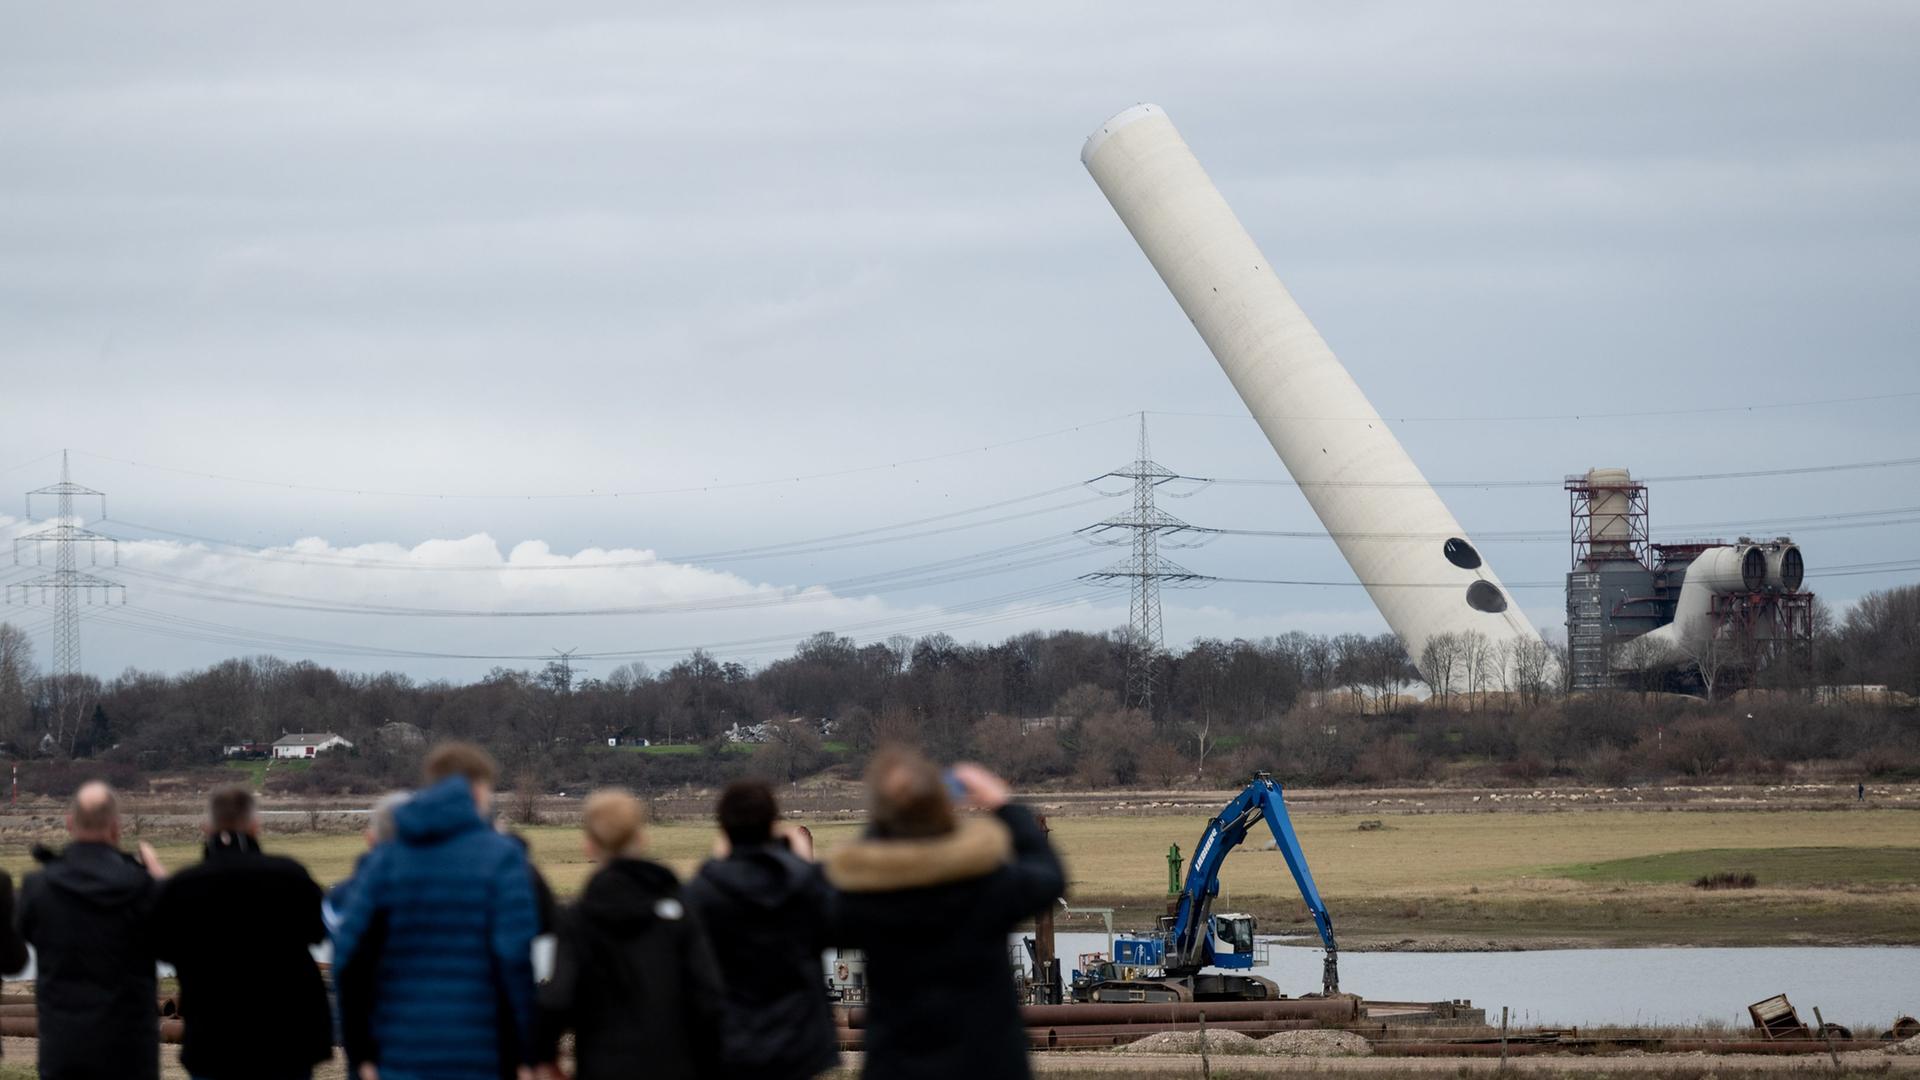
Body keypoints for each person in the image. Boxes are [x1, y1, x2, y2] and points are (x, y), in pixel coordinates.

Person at [824, 751, 1065, 1080]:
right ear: (943, 809)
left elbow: (813, 912)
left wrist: (883, 824)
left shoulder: (865, 898)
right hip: (987, 1062)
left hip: (898, 1064)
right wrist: (1006, 805)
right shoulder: (986, 884)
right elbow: (1048, 876)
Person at [331, 743, 540, 1080]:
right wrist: (527, 1052)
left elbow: (349, 957)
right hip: (482, 1053)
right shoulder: (503, 857)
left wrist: (361, 1053)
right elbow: (514, 959)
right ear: (476, 788)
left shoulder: (385, 860)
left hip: (399, 1052)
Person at [536, 789, 724, 1080]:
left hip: (603, 1066)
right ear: (642, 838)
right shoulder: (680, 913)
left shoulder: (578, 920)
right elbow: (709, 998)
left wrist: (546, 1057)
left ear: (588, 846)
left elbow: (557, 1000)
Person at [153, 786, 331, 1080]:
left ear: (206, 828)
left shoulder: (185, 886)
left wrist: (161, 888)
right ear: (255, 825)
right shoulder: (289, 875)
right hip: (286, 1039)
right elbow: (318, 932)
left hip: (214, 1039)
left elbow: (161, 946)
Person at [683, 780, 839, 1080]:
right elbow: (835, 930)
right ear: (772, 824)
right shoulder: (806, 886)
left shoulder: (701, 893)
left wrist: (719, 861)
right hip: (796, 1039)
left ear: (723, 827)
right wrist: (796, 862)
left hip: (729, 1036)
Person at [16, 781, 164, 1080]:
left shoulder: (39, 887)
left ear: (70, 824)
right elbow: (180, 942)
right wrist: (160, 880)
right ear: (116, 827)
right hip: (130, 1052)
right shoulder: (142, 886)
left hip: (64, 1050)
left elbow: (14, 954)